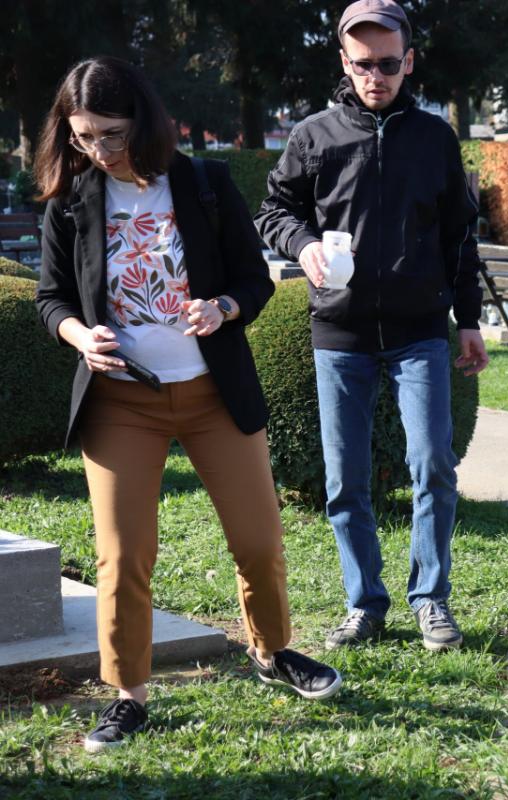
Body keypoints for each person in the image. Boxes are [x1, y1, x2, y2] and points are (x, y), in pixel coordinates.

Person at [33, 57, 341, 753]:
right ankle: (128, 695)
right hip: (122, 401)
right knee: (122, 555)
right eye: (83, 136)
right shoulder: (72, 202)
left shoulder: (204, 183)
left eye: (111, 134)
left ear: (143, 121)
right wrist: (80, 335)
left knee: (259, 540)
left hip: (213, 395)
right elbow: (51, 299)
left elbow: (255, 281)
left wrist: (223, 306)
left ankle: (271, 651)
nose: (99, 150)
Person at [255, 0, 488, 652]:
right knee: (345, 482)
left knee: (433, 466)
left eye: (388, 64)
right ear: (344, 62)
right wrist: (302, 244)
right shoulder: (314, 136)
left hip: (420, 332)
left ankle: (431, 598)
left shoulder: (434, 137)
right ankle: (364, 604)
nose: (375, 76)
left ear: (408, 62)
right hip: (340, 332)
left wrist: (469, 319)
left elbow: (459, 235)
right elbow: (274, 211)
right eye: (363, 64)